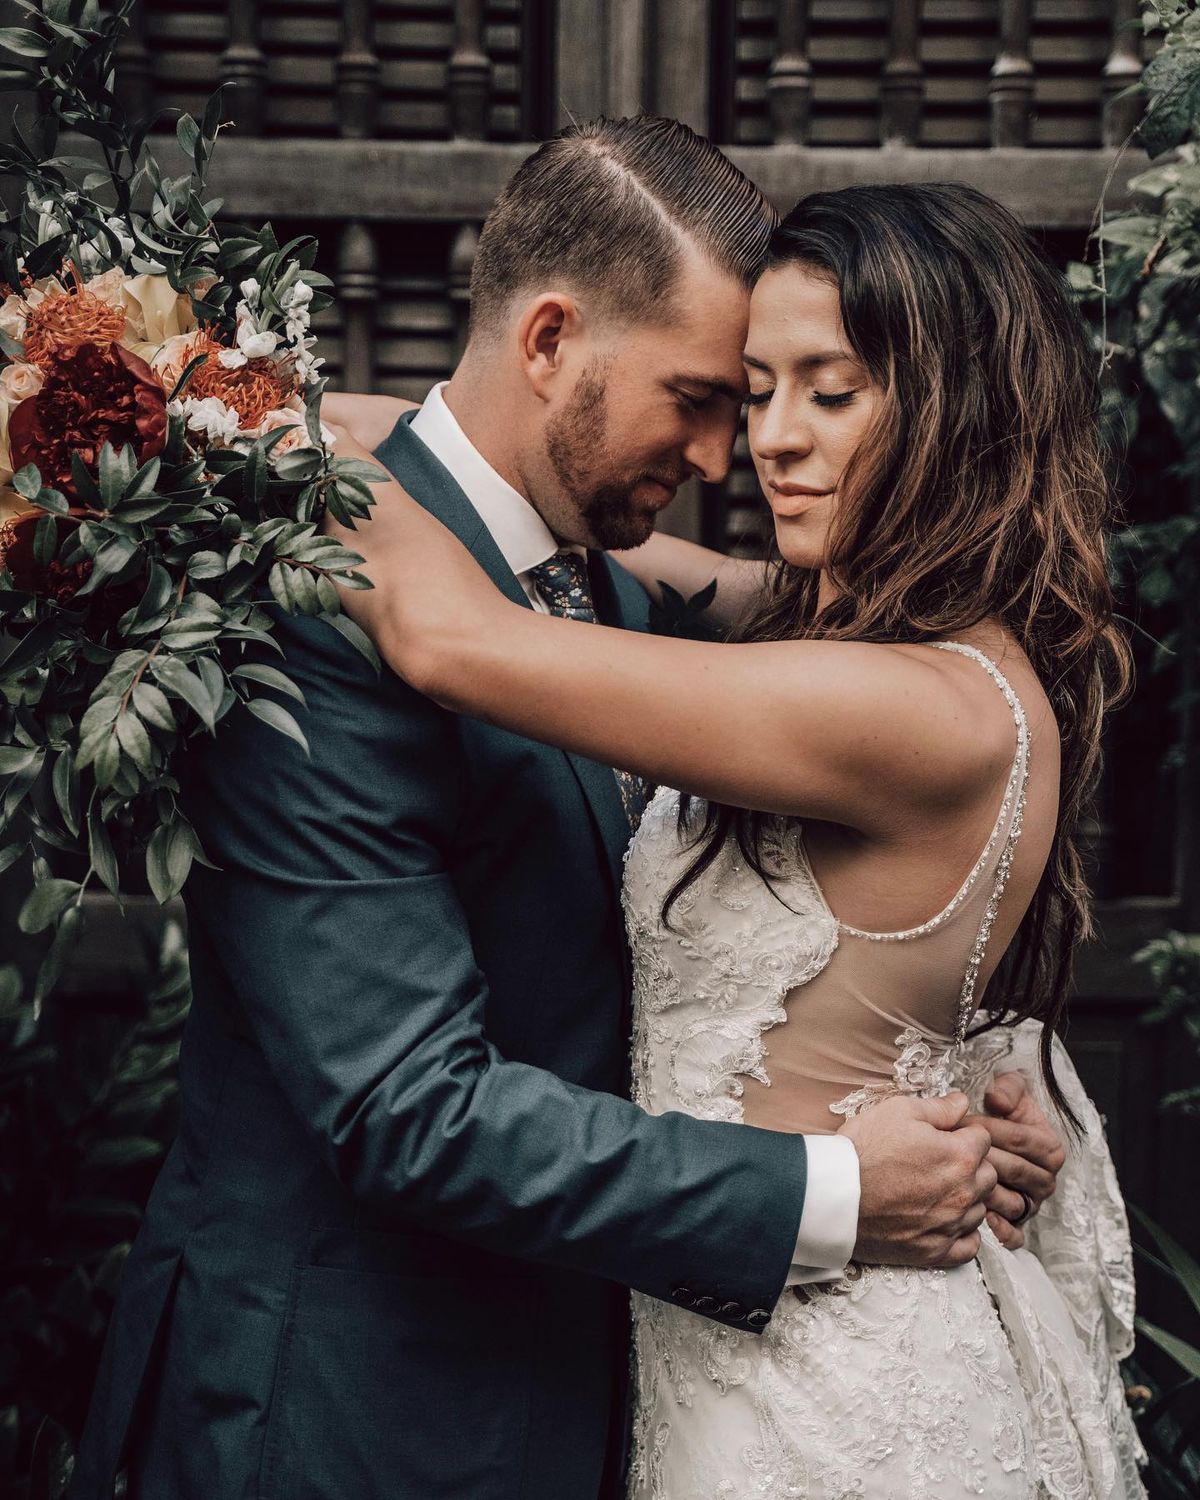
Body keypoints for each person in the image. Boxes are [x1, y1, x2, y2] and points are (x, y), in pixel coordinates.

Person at [69, 120, 1064, 1500]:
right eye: (709, 396)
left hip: (609, 1387)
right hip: (356, 1412)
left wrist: (964, 1089)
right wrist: (834, 1191)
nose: (735, 454)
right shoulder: (318, 606)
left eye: (806, 394)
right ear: (547, 342)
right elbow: (410, 1109)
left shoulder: (602, 581)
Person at [322, 176, 1145, 1496]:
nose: (765, 439)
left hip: (830, 1393)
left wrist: (202, 408)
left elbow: (447, 634)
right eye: (749, 389)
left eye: (831, 390)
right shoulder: (871, 649)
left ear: (957, 407)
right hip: (741, 1353)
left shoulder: (903, 707)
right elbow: (580, 550)